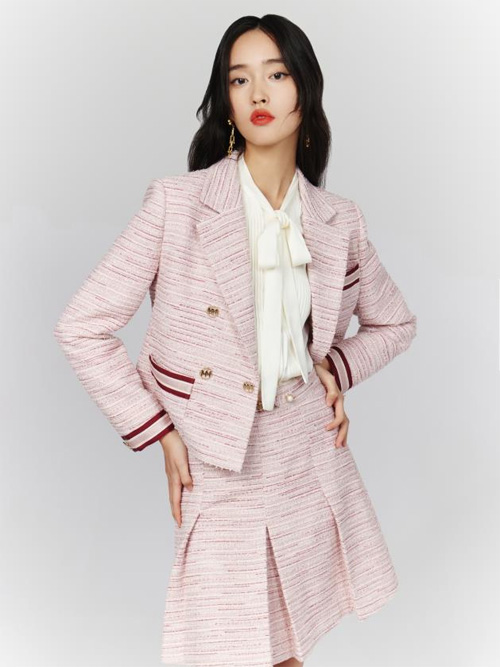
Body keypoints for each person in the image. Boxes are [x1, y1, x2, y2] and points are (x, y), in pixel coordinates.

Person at [53, 14, 417, 667]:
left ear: (305, 89)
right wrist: (161, 431)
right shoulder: (177, 204)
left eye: (277, 75)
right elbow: (82, 325)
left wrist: (335, 368)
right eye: (239, 79)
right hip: (220, 460)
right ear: (224, 98)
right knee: (227, 650)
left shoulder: (338, 220)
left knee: (288, 650)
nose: (258, 93)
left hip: (307, 454)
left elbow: (395, 322)